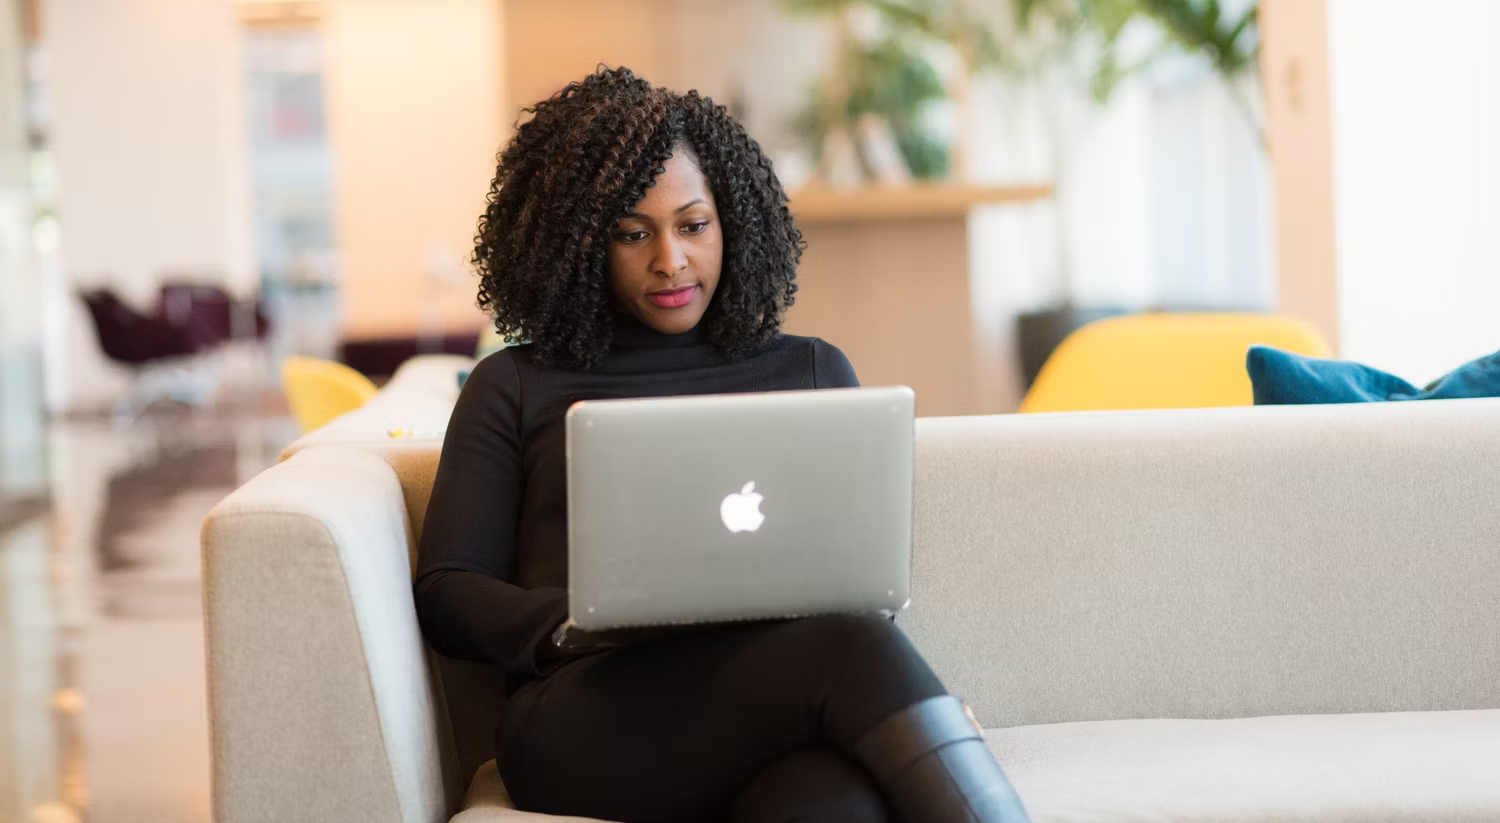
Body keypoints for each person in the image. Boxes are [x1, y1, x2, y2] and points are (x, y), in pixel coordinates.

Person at [415, 66, 1029, 823]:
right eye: (632, 233)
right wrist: (574, 621)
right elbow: (447, 589)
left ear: (732, 221)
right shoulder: (513, 383)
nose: (669, 259)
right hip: (587, 716)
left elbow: (857, 573)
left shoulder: (812, 369)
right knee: (850, 651)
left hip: (775, 702)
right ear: (578, 245)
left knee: (833, 799)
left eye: (693, 224)